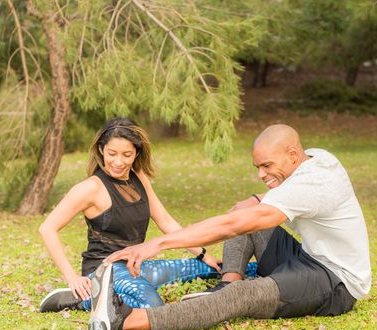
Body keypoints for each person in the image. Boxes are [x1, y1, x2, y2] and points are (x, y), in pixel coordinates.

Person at [87, 124, 371, 330]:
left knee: (243, 290)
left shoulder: (318, 183)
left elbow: (233, 227)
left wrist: (158, 243)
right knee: (242, 215)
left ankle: (123, 323)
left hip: (335, 281)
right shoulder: (318, 157)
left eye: (267, 166)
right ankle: (227, 282)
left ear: (293, 154)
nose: (261, 174)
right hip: (305, 257)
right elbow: (279, 200)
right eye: (257, 167)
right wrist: (257, 198)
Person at [38, 117, 257, 313]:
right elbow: (47, 228)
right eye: (112, 153)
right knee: (153, 306)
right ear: (102, 150)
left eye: (127, 155)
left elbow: (164, 220)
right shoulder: (90, 188)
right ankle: (82, 298)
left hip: (138, 265)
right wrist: (72, 278)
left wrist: (203, 254)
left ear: (137, 153)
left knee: (226, 269)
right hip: (106, 271)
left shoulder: (137, 178)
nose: (118, 162)